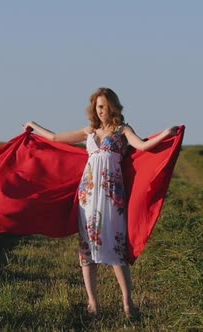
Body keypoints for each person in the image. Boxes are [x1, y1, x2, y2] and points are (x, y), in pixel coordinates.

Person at [25, 87, 178, 317]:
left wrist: (166, 133)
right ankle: (93, 304)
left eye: (105, 106)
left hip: (111, 194)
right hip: (87, 195)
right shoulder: (90, 131)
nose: (102, 110)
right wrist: (33, 125)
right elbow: (56, 138)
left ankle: (128, 304)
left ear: (113, 106)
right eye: (98, 106)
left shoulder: (122, 130)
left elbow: (143, 146)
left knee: (116, 247)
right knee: (87, 251)